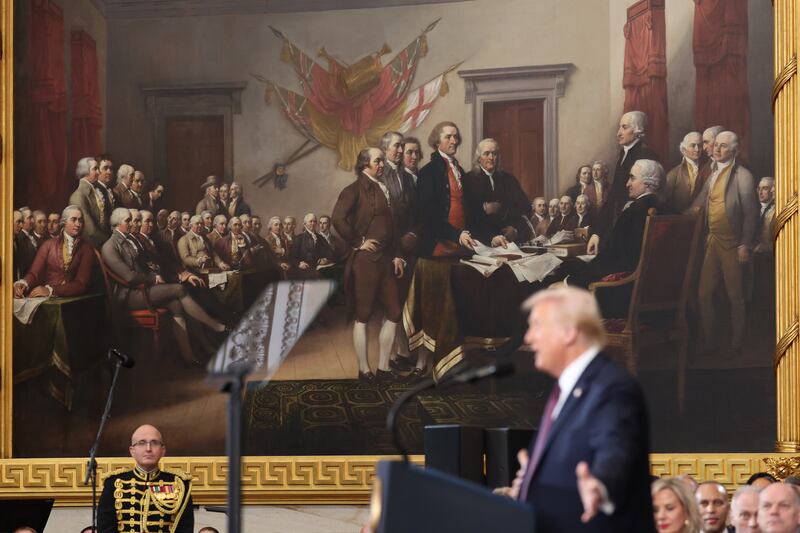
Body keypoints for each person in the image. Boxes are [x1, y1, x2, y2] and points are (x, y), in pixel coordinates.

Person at [505, 287, 655, 532]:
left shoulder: (611, 386)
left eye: (536, 326)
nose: (528, 338)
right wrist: (531, 478)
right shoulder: (565, 391)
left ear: (569, 332)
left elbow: (615, 447)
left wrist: (601, 484)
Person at [102, 208, 226, 365]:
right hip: (129, 296)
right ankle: (215, 326)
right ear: (117, 224)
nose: (135, 224)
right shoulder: (110, 246)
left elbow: (151, 265)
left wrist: (173, 275)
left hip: (143, 289)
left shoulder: (130, 241)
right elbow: (129, 277)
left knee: (175, 305)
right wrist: (153, 278)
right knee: (179, 289)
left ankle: (190, 358)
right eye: (129, 221)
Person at [332, 147, 406, 380]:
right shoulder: (353, 190)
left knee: (394, 311)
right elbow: (337, 218)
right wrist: (358, 243)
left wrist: (396, 254)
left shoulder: (384, 188)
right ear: (365, 164)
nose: (382, 164)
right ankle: (364, 369)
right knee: (363, 314)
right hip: (365, 261)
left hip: (386, 259)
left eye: (383, 160)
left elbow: (392, 227)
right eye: (378, 161)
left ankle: (383, 367)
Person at [691, 131, 759, 353]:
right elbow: (697, 205)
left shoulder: (743, 176)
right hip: (712, 241)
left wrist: (745, 244)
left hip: (733, 244)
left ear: (735, 150)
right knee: (703, 294)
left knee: (735, 297)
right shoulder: (712, 176)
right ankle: (710, 343)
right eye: (716, 145)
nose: (717, 150)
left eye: (723, 146)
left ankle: (736, 345)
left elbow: (751, 213)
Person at [98, 424, 193, 533]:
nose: (148, 449)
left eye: (154, 443)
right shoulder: (113, 483)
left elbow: (185, 528)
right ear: (132, 450)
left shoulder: (179, 484)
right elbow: (105, 528)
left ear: (163, 450)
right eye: (142, 443)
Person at [416, 121, 478, 257]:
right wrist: (456, 235)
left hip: (463, 243)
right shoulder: (428, 172)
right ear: (437, 142)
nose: (454, 141)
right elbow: (429, 215)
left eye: (456, 137)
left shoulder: (459, 170)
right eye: (448, 137)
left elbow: (470, 208)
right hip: (438, 246)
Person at [14, 206, 95, 298]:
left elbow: (82, 283)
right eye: (73, 220)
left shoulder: (86, 248)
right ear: (64, 222)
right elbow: (34, 273)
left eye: (80, 220)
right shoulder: (48, 245)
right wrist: (24, 283)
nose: (78, 224)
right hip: (49, 299)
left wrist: (51, 290)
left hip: (75, 300)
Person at [464, 138, 532, 244]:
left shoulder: (509, 180)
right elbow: (467, 214)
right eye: (486, 154)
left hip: (508, 240)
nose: (491, 157)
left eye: (494, 154)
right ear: (478, 158)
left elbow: (526, 208)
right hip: (482, 240)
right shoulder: (468, 179)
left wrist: (515, 229)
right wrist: (483, 208)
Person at [605, 111, 660, 225]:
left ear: (637, 131)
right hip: (619, 217)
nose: (618, 133)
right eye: (619, 127)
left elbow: (651, 194)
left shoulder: (646, 154)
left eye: (624, 127)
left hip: (636, 218)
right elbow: (614, 193)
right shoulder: (623, 154)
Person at [68, 156, 110, 249]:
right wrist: (110, 242)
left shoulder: (96, 191)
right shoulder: (78, 196)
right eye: (95, 169)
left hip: (102, 243)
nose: (98, 172)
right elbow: (90, 230)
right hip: (89, 246)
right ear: (85, 172)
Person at [664, 131, 704, 213]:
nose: (697, 149)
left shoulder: (707, 169)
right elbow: (665, 202)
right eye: (693, 145)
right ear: (684, 149)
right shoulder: (674, 174)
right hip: (681, 219)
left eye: (699, 145)